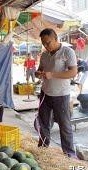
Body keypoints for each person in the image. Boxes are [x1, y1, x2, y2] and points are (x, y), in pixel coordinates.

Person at [35, 28, 78, 158]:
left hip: (61, 95)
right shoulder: (44, 55)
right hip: (45, 93)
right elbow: (40, 70)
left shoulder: (67, 52)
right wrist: (38, 73)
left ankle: (69, 153)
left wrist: (52, 74)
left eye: (48, 42)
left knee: (64, 125)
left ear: (56, 39)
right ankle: (42, 148)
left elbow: (73, 72)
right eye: (43, 43)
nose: (46, 46)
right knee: (43, 123)